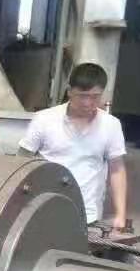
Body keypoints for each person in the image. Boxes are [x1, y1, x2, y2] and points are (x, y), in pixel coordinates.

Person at [18, 62, 128, 228]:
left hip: (87, 215)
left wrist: (121, 215)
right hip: (43, 210)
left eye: (95, 96)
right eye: (82, 96)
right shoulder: (44, 120)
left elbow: (117, 170)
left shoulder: (111, 125)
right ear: (69, 91)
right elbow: (21, 162)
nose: (87, 103)